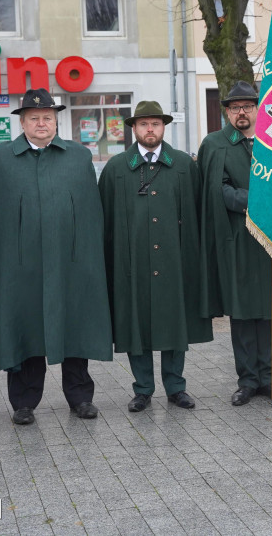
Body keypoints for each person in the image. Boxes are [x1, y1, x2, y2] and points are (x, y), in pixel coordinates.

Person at [0, 89, 112, 425]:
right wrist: (0, 265)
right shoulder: (0, 158)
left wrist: (90, 258)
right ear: (23, 122)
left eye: (48, 118)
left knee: (74, 328)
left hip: (70, 263)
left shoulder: (78, 156)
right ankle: (23, 402)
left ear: (56, 121)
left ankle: (81, 397)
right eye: (35, 118)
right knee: (25, 330)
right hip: (21, 266)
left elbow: (90, 211)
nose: (42, 123)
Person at [198, 82, 272, 406]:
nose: (242, 113)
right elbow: (218, 191)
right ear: (228, 112)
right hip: (237, 241)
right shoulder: (216, 145)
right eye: (235, 108)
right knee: (243, 314)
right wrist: (257, 201)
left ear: (259, 110)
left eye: (248, 106)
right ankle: (247, 380)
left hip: (271, 241)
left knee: (269, 311)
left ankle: (269, 378)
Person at [99, 101, 212, 412]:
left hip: (175, 260)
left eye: (156, 124)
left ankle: (176, 387)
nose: (150, 129)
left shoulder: (183, 165)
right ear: (134, 129)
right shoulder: (117, 168)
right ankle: (143, 389)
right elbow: (105, 219)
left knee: (175, 321)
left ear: (164, 128)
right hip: (131, 262)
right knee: (136, 321)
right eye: (144, 124)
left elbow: (198, 211)